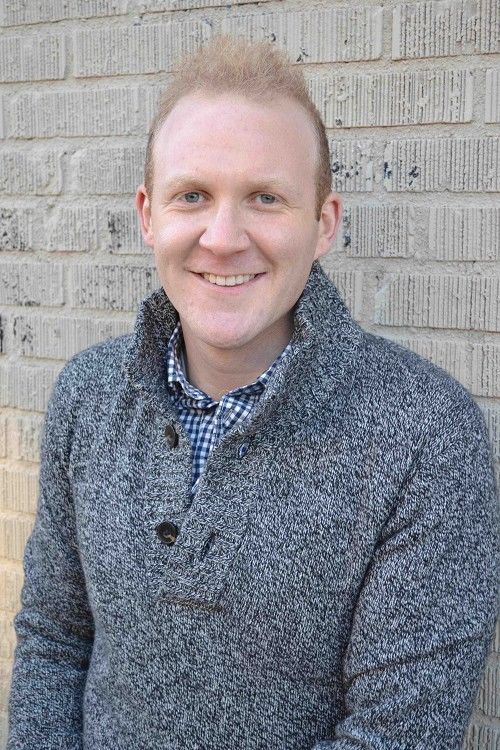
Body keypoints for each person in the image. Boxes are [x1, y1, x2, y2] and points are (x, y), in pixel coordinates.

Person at [7, 36, 499, 750]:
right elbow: (54, 641)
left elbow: (397, 736)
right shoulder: (87, 398)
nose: (223, 236)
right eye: (192, 196)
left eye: (265, 198)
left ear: (323, 224)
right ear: (148, 216)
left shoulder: (428, 438)